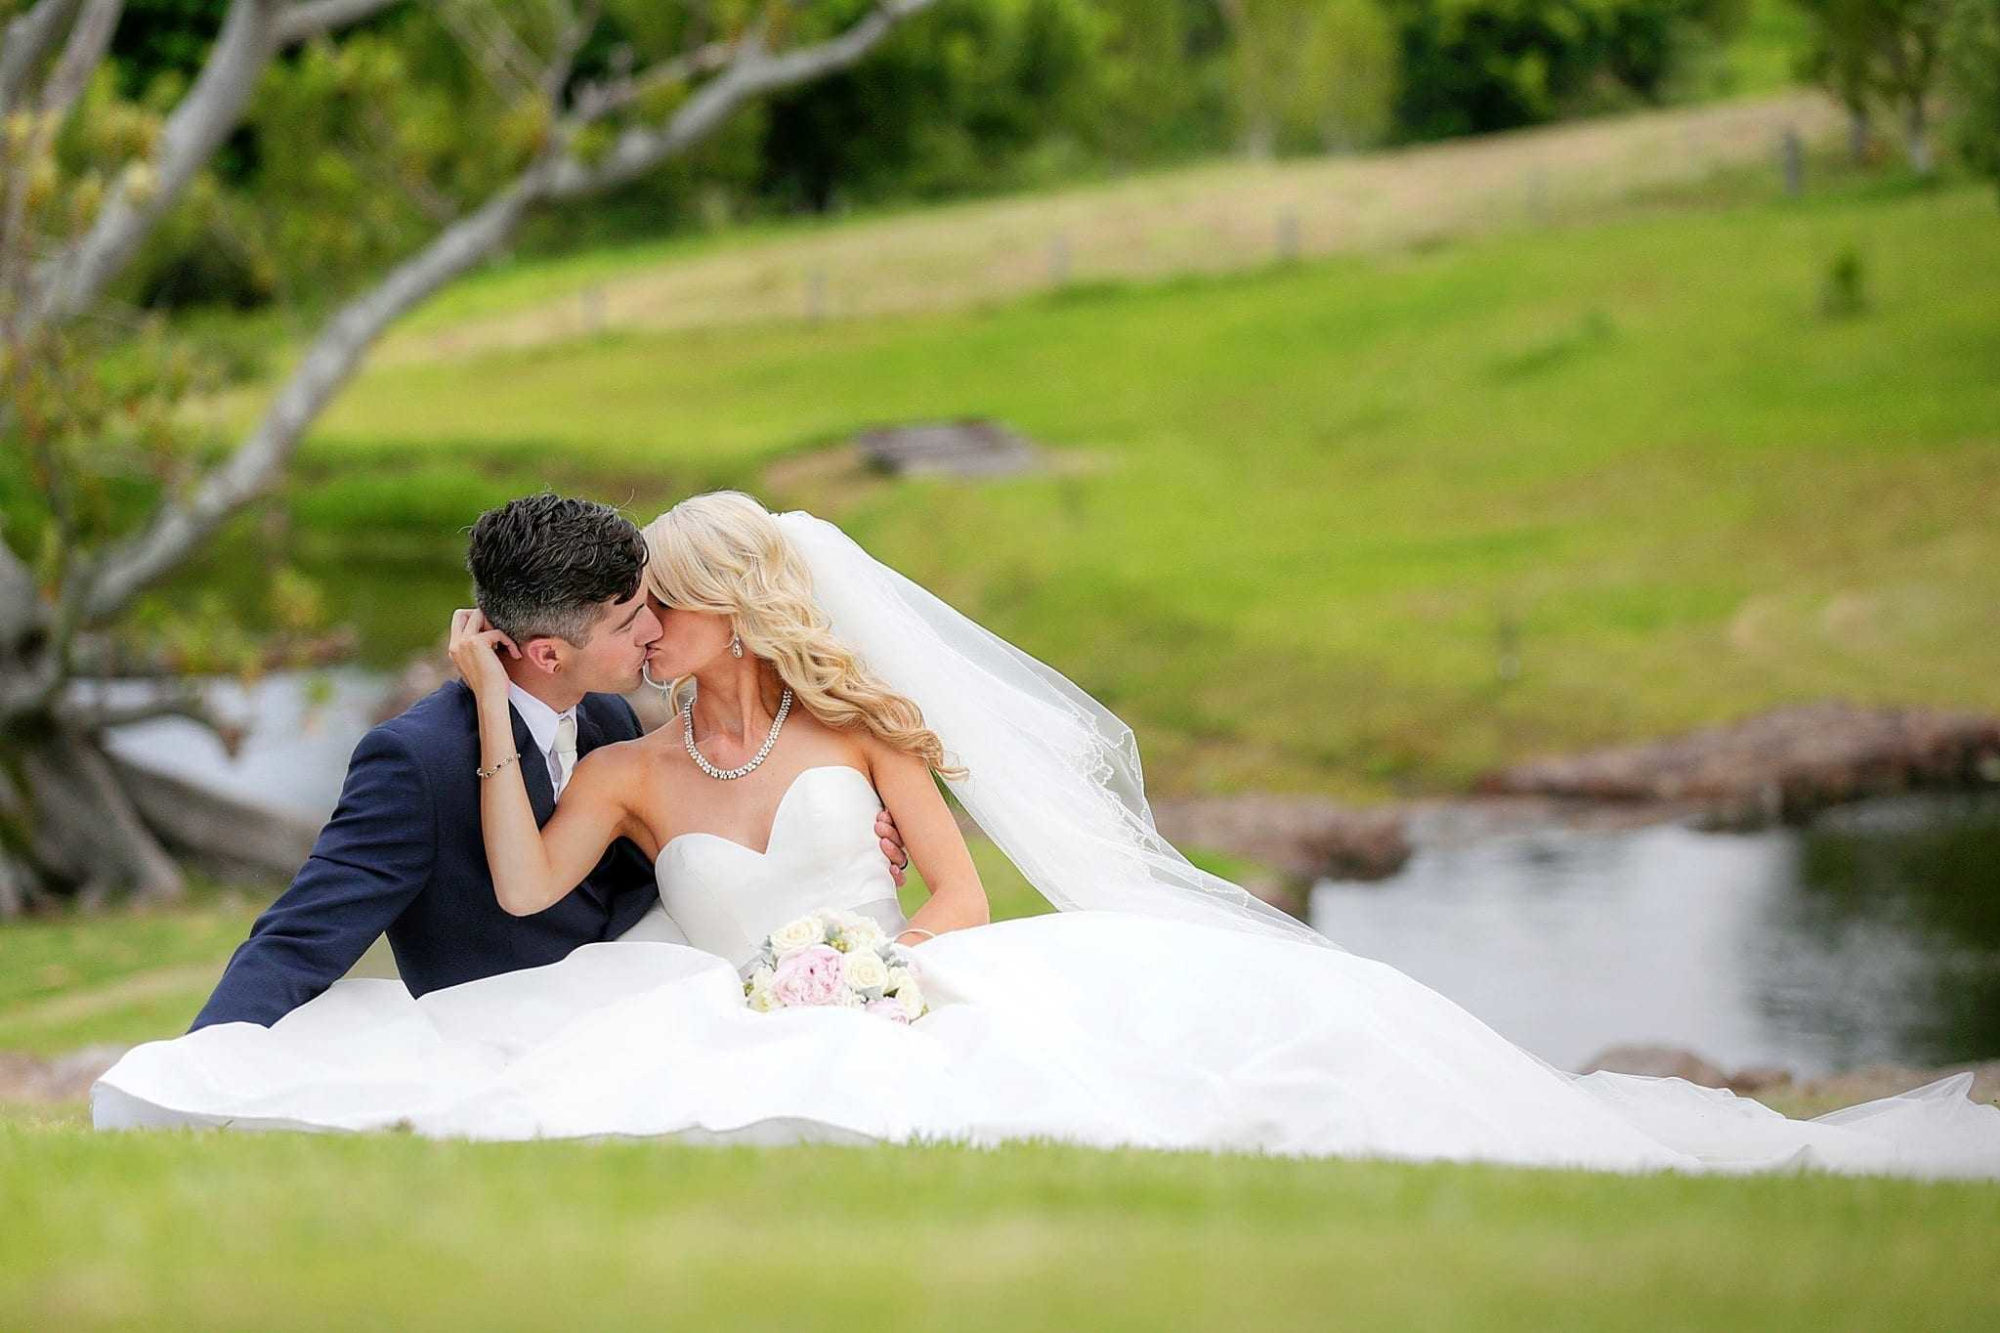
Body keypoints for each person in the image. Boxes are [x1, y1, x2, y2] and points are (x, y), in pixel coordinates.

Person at [94, 494, 2000, 1179]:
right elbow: (489, 887)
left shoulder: (789, 718)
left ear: (712, 616)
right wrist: (222, 1033)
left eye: (659, 617)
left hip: (862, 973)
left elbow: (951, 879)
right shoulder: (566, 748)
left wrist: (881, 958)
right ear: (542, 650)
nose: (643, 644)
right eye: (622, 627)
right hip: (660, 993)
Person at [176, 492, 910, 1032]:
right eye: (629, 622)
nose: (653, 629)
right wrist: (205, 1057)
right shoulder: (416, 760)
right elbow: (300, 935)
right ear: (549, 652)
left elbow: (666, 868)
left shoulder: (606, 717)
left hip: (664, 1013)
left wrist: (843, 846)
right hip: (507, 1037)